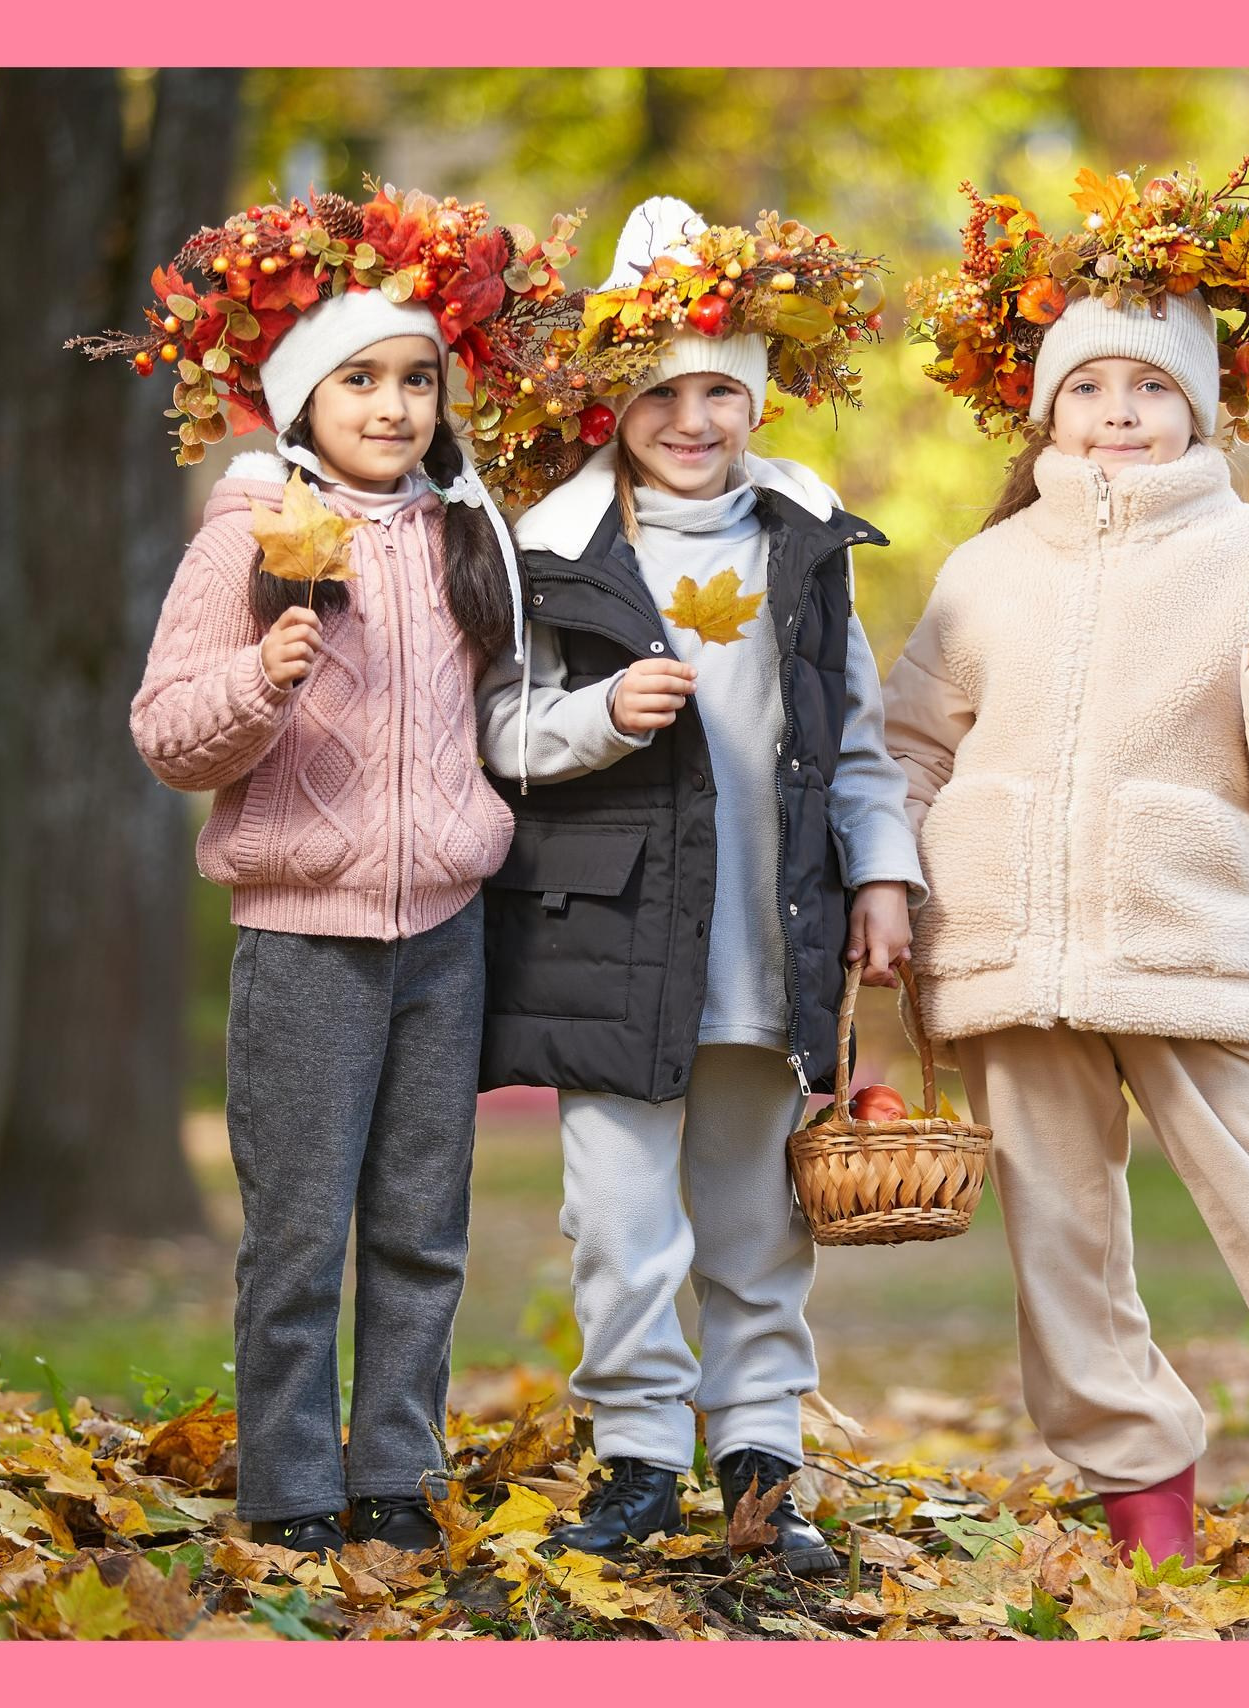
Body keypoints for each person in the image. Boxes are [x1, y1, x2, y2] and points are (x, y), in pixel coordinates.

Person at [883, 165, 1249, 1589]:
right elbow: (906, 742)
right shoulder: (985, 573)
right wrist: (891, 885)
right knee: (1063, 1250)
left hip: (1187, 941)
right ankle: (1140, 1511)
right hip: (1008, 951)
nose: (1117, 416)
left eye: (1148, 392)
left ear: (1201, 410)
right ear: (1044, 411)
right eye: (1088, 391)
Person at [475, 196, 920, 1575]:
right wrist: (602, 719)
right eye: (660, 389)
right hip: (610, 934)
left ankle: (762, 1458)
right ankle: (639, 1454)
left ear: (757, 398)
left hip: (766, 934)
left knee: (752, 1213)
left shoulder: (803, 541)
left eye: (719, 388)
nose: (690, 416)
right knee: (619, 1218)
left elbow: (856, 740)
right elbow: (499, 728)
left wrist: (884, 875)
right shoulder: (554, 549)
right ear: (619, 401)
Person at [113, 184, 544, 1558]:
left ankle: (396, 1475)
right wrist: (261, 676)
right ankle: (294, 1486)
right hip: (305, 936)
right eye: (361, 378)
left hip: (444, 937)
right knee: (299, 1234)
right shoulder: (249, 531)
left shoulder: (465, 534)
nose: (395, 405)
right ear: (305, 399)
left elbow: (500, 712)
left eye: (417, 379)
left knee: (422, 1224)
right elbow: (167, 730)